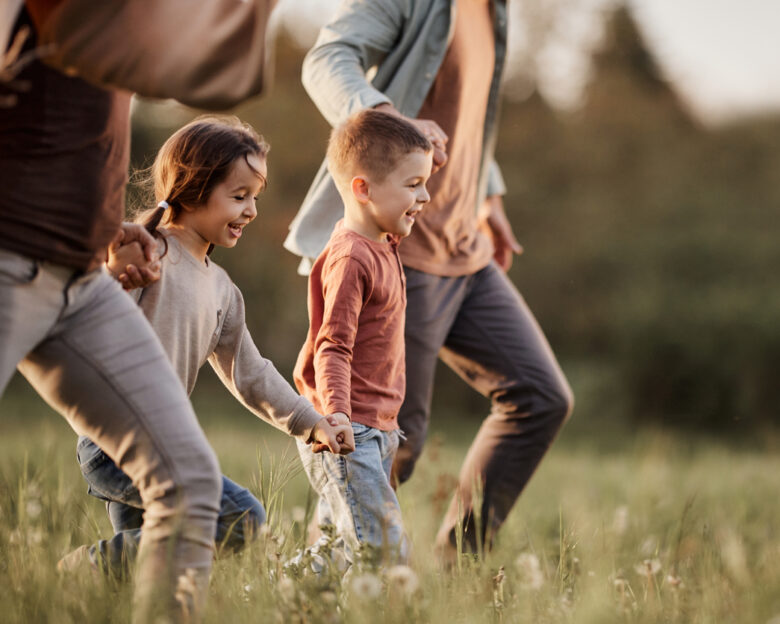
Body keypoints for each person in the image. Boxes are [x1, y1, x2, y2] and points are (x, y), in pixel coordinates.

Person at [1, 2, 277, 620]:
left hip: (78, 276)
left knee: (192, 490)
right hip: (11, 259)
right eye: (238, 194)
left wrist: (108, 228)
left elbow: (210, 73)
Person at [283, 0, 574, 560]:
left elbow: (468, 116)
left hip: (467, 247)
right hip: (398, 255)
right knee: (388, 441)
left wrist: (487, 195)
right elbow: (326, 57)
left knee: (540, 397)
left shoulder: (495, 12)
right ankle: (324, 587)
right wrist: (388, 117)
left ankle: (457, 567)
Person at [62, 115, 356, 578]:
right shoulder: (148, 253)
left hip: (158, 441)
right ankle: (84, 568)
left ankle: (94, 581)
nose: (252, 211)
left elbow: (251, 373)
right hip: (114, 441)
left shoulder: (222, 291)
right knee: (240, 519)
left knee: (149, 577)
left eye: (254, 198)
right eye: (239, 197)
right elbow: (90, 319)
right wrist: (114, 271)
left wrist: (311, 423)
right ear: (193, 189)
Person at [293, 109, 432, 568]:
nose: (425, 196)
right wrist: (336, 416)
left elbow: (396, 173)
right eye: (414, 185)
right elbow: (332, 345)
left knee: (335, 552)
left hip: (378, 428)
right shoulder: (352, 257)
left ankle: (280, 603)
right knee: (385, 556)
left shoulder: (383, 240)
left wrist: (412, 175)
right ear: (363, 189)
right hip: (350, 430)